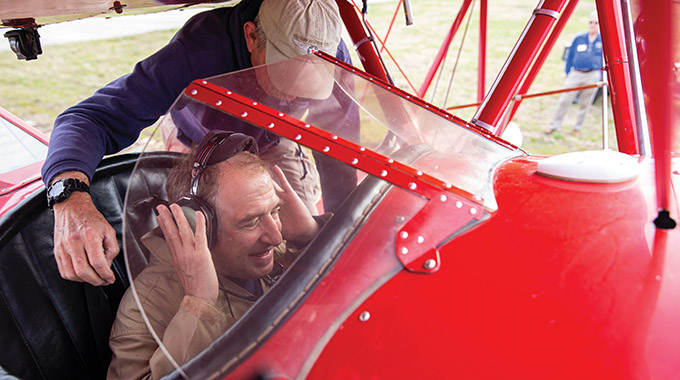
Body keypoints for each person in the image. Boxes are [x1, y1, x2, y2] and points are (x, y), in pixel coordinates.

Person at [42, 0, 356, 288]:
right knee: (193, 249)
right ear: (250, 36)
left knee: (300, 243)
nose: (290, 95)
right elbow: (90, 118)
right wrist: (70, 198)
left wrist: (341, 230)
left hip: (273, 141)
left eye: (306, 86)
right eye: (281, 75)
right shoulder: (195, 51)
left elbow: (339, 149)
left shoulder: (332, 52)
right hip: (197, 143)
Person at [107, 131, 326, 379]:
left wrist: (309, 237)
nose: (276, 237)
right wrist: (198, 306)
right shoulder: (147, 306)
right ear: (196, 226)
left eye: (274, 210)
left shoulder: (278, 248)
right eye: (250, 222)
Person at [545, 11, 603, 135]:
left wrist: (601, 77)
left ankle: (577, 127)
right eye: (591, 22)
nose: (593, 25)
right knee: (564, 100)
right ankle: (553, 125)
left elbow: (605, 59)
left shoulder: (602, 41)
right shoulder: (579, 37)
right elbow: (569, 56)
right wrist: (567, 72)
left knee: (585, 103)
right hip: (576, 73)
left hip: (592, 75)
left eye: (596, 23)